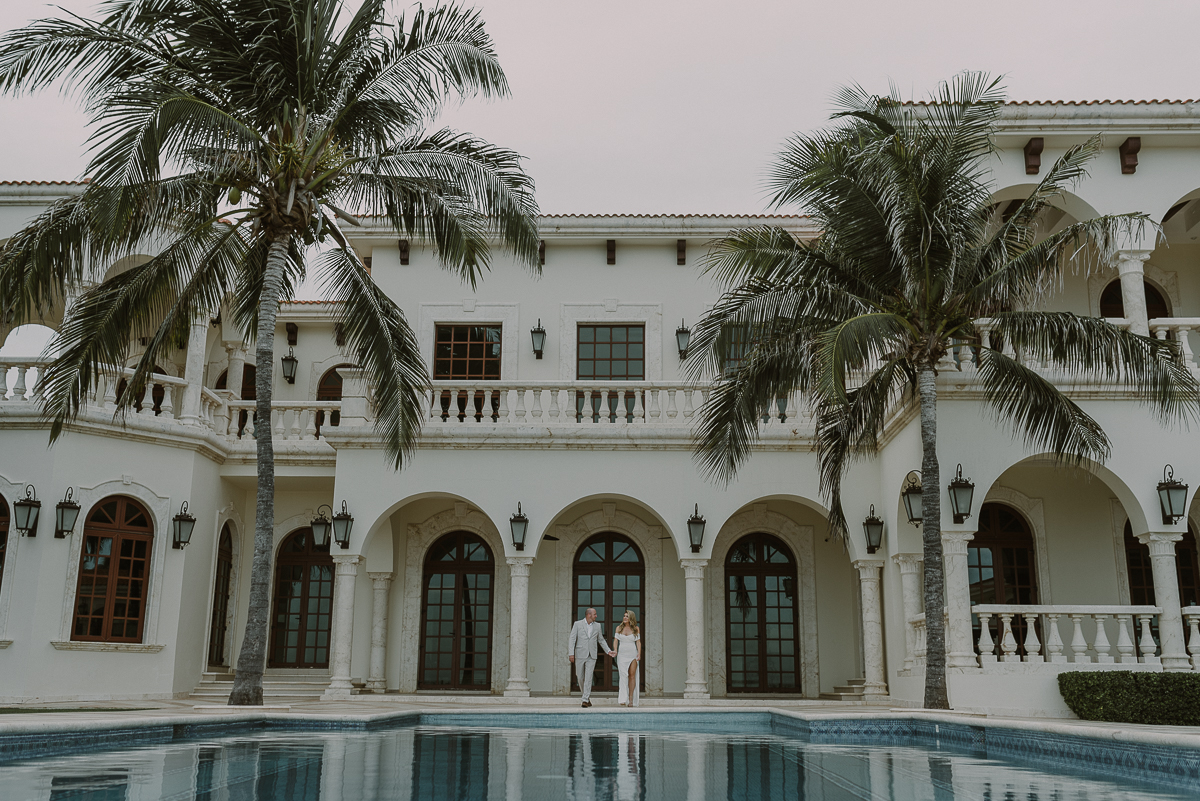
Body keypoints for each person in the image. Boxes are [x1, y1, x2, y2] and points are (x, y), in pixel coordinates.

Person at [568, 607, 615, 707]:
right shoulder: (577, 624)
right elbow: (572, 639)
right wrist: (571, 653)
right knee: (580, 677)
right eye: (595, 614)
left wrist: (608, 651)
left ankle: (584, 699)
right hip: (580, 654)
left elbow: (601, 640)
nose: (596, 616)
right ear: (589, 615)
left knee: (589, 678)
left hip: (592, 655)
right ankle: (586, 698)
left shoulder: (598, 626)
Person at [613, 610, 642, 708]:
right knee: (623, 675)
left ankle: (630, 699)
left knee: (632, 676)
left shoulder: (636, 629)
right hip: (622, 655)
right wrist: (615, 650)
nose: (625, 618)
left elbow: (638, 642)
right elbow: (616, 640)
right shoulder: (619, 628)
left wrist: (639, 653)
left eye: (627, 616)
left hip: (632, 654)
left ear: (631, 618)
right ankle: (622, 698)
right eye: (624, 616)